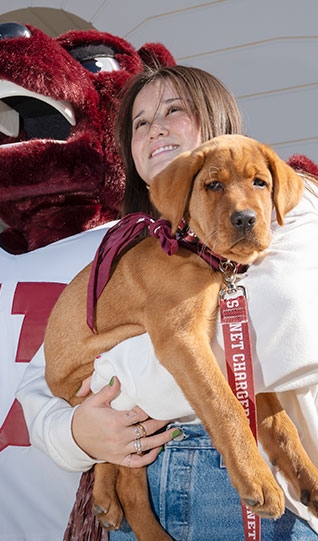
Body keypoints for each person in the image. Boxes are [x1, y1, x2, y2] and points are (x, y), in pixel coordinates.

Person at [17, 65, 318, 539]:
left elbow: (275, 340)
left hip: (244, 493)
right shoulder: (127, 248)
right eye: (139, 123)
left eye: (174, 110)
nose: (155, 127)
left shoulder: (300, 212)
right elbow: (41, 383)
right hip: (158, 465)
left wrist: (117, 382)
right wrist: (80, 434)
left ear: (217, 118)